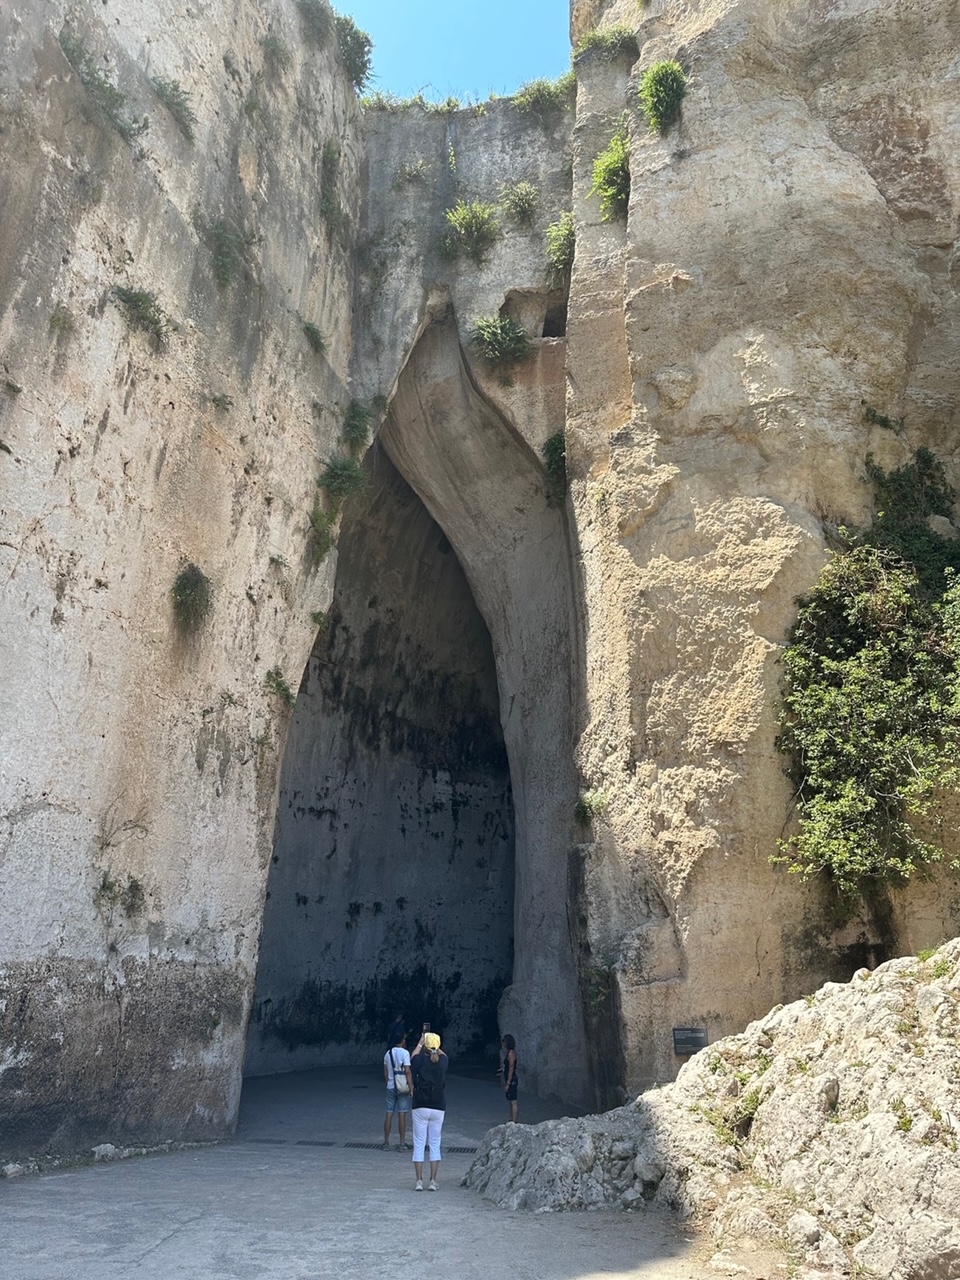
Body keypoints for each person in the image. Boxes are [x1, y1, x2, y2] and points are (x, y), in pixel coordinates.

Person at [410, 1030, 448, 1191]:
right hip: (438, 1105)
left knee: (419, 1143)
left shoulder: (419, 1061)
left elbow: (412, 1058)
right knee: (435, 1143)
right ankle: (433, 1181)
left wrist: (421, 1042)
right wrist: (435, 1046)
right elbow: (442, 1054)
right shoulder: (443, 1062)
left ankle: (419, 1181)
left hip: (420, 1104)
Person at [383, 1033, 413, 1151]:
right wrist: (411, 1087)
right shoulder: (405, 1053)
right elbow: (407, 1071)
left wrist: (388, 1083)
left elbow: (385, 1072)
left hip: (390, 1086)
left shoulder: (388, 1053)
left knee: (389, 1113)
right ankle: (402, 1143)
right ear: (402, 1041)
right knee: (402, 1114)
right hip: (402, 1087)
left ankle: (386, 1142)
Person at [501, 1034, 519, 1123]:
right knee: (510, 1100)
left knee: (513, 1101)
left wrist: (508, 1083)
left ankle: (514, 1122)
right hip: (511, 1079)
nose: (503, 1043)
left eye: (503, 1041)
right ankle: (511, 1119)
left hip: (512, 1080)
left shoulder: (511, 1053)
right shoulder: (510, 1052)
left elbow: (511, 1067)